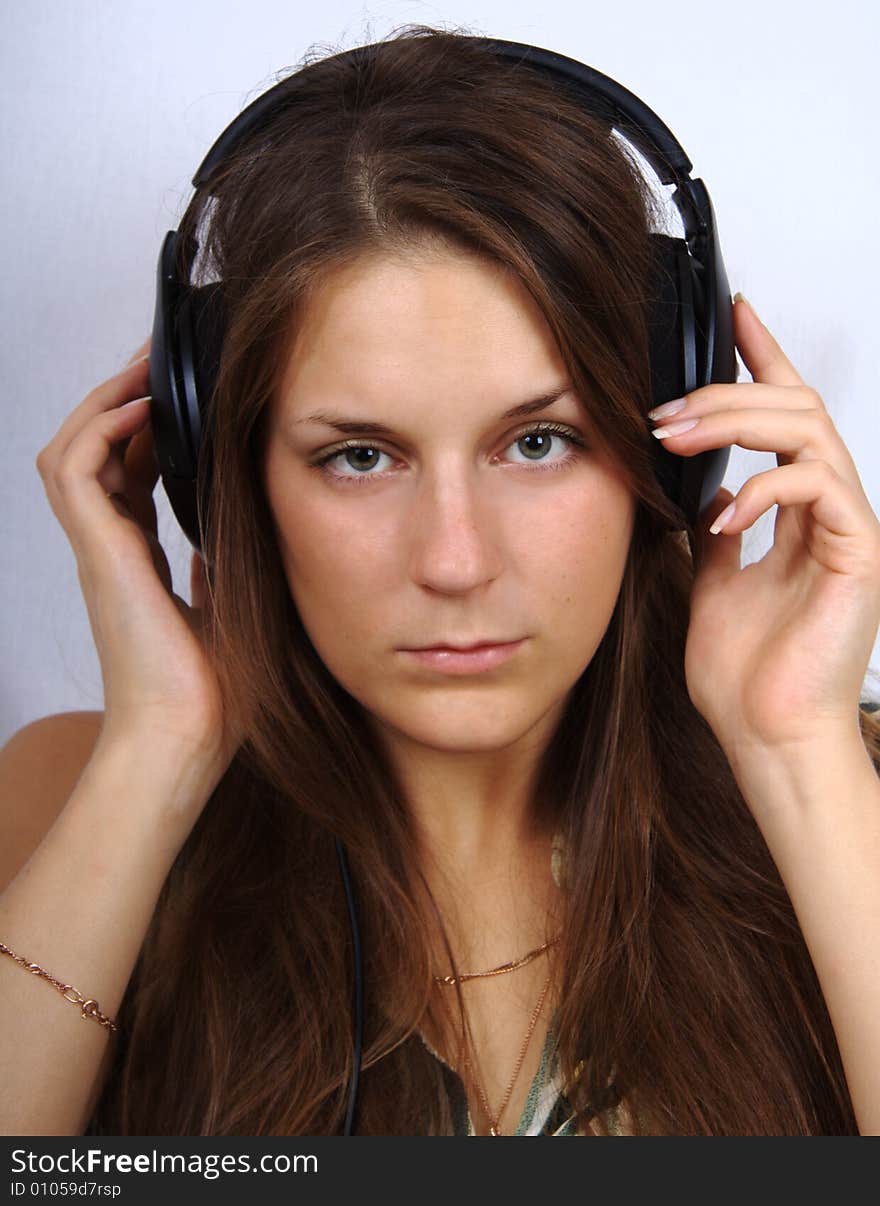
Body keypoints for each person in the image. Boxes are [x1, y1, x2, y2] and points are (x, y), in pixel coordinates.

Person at [2, 25, 880, 1138]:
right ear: (220, 476)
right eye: (359, 457)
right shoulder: (69, 800)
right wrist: (157, 753)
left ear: (672, 443)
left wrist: (797, 757)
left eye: (538, 442)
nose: (456, 561)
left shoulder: (851, 796)